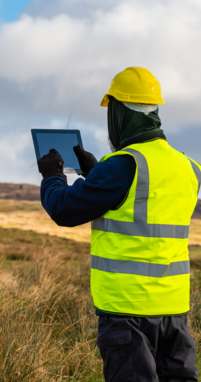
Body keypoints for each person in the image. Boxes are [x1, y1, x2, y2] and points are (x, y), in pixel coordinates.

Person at [37, 67, 201, 382]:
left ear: (118, 113)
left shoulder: (123, 166)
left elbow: (63, 209)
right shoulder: (188, 167)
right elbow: (144, 202)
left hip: (128, 314)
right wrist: (96, 172)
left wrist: (52, 175)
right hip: (175, 313)